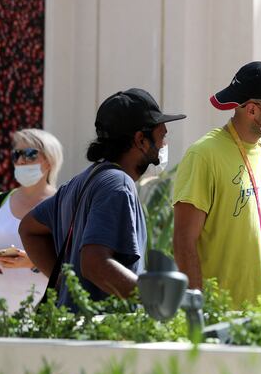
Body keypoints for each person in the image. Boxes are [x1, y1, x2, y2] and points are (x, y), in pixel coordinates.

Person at [19, 89, 185, 310]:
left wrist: (66, 283)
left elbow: (28, 228)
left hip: (77, 330)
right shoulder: (118, 184)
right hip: (100, 334)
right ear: (141, 140)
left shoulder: (81, 181)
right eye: (161, 136)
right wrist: (154, 297)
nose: (164, 145)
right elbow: (94, 264)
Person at [173, 61, 261, 307]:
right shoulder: (203, 155)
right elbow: (183, 242)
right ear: (251, 110)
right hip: (225, 317)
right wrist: (200, 312)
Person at [0, 129, 63, 311]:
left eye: (30, 154)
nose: (20, 160)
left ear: (49, 161)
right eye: (16, 154)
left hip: (41, 314)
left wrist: (32, 261)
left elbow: (72, 264)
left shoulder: (62, 205)